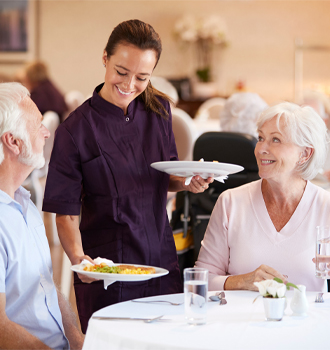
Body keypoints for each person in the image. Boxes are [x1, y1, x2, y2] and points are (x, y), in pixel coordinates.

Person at [42, 19, 212, 332]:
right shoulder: (75, 130)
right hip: (108, 270)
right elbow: (65, 214)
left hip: (160, 258)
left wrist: (189, 183)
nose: (129, 84)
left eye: (142, 77)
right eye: (121, 71)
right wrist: (81, 260)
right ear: (105, 58)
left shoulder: (159, 110)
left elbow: (166, 176)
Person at [196, 101, 330, 293]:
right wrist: (242, 281)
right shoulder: (230, 202)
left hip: (307, 322)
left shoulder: (326, 207)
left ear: (305, 154)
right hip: (239, 321)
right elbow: (200, 280)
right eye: (260, 138)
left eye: (276, 140)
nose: (261, 149)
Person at [0, 82, 84, 349]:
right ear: (12, 141)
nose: (47, 133)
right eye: (38, 125)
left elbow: (46, 288)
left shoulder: (26, 202)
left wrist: (78, 340)